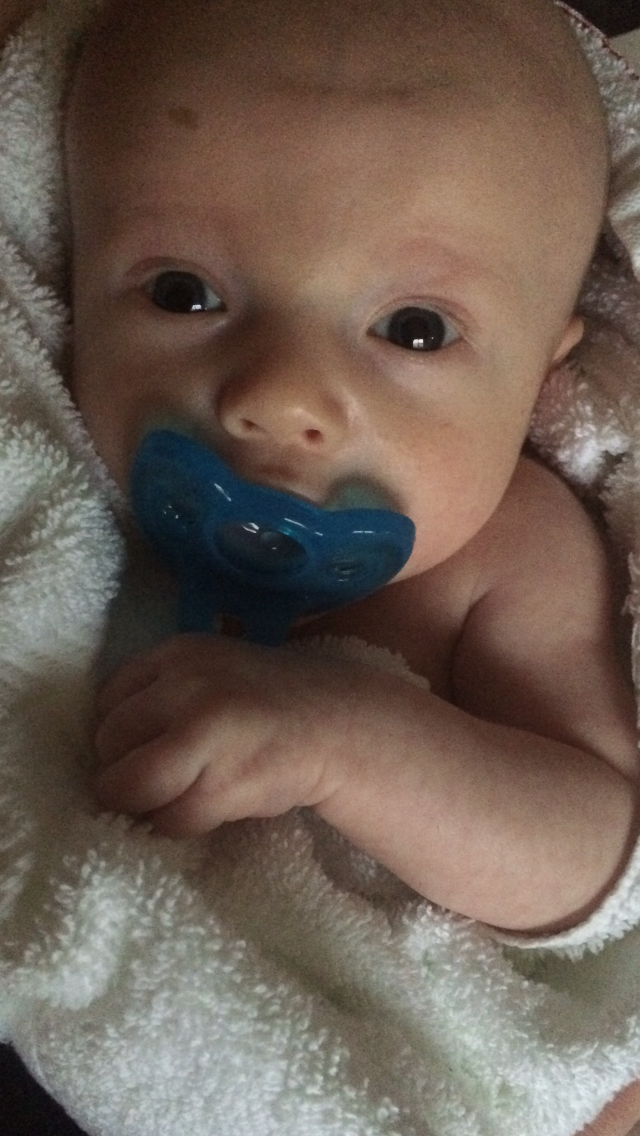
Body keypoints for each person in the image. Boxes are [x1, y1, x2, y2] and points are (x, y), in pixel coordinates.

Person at [59, 0, 640, 940]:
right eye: (184, 293)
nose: (279, 397)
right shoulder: (65, 483)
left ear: (541, 377)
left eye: (415, 328)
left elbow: (593, 849)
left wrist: (342, 744)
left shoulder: (512, 553)